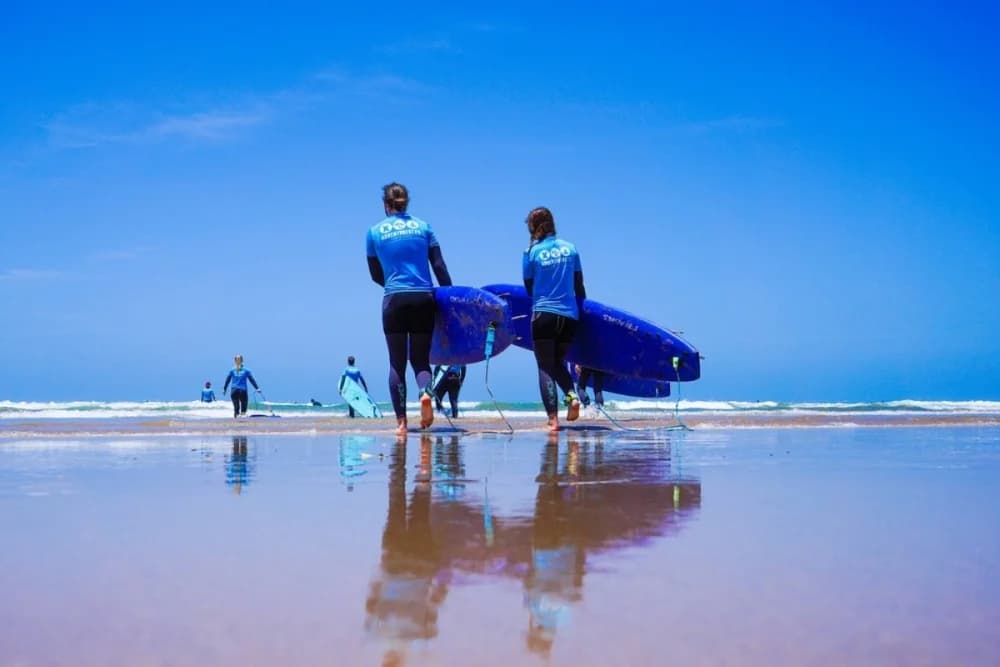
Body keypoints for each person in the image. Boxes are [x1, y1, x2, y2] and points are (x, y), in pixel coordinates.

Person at [367, 182, 453, 435]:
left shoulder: (373, 232)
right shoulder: (424, 227)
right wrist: (449, 297)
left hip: (394, 299)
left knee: (396, 363)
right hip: (423, 298)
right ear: (406, 202)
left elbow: (374, 274)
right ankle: (426, 393)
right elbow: (439, 266)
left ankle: (402, 424)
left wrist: (396, 288)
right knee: (420, 360)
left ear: (386, 204)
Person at [523, 206, 583, 432]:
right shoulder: (571, 249)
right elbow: (579, 285)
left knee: (545, 366)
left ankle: (553, 420)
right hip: (569, 317)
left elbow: (529, 288)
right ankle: (571, 395)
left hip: (543, 316)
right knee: (556, 362)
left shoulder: (531, 253)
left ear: (531, 227)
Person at [222, 354, 261, 419]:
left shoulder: (232, 370)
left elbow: (227, 380)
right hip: (242, 390)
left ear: (235, 361)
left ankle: (236, 421)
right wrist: (257, 388)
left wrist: (224, 389)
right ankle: (242, 421)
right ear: (242, 360)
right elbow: (251, 380)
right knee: (243, 408)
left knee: (236, 408)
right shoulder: (246, 370)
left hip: (234, 390)